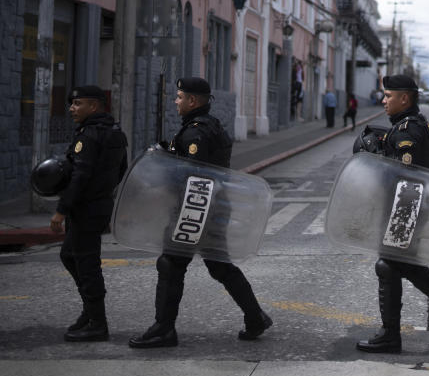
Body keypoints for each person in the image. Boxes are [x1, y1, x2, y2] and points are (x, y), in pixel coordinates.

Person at [129, 77, 272, 348]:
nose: (176, 101)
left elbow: (194, 177)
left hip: (196, 208)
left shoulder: (195, 133)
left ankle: (163, 328)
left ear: (192, 101)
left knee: (171, 265)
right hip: (213, 208)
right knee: (220, 265)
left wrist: (165, 178)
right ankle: (255, 317)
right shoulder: (208, 126)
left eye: (180, 96)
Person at [355, 74, 429, 354]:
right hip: (407, 203)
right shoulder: (404, 126)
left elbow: (403, 174)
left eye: (389, 96)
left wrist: (378, 162)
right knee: (394, 264)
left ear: (404, 98)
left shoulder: (408, 130)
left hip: (407, 204)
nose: (384, 101)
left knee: (391, 264)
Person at [51, 86, 128, 342]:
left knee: (87, 264)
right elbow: (121, 170)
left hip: (85, 208)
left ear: (93, 106)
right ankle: (90, 311)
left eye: (78, 103)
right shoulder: (115, 132)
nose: (72, 108)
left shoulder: (90, 135)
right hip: (100, 205)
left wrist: (61, 210)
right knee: (70, 256)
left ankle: (98, 323)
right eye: (72, 103)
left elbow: (79, 176)